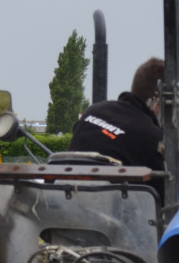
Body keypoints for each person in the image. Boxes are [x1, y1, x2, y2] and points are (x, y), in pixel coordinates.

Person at [68, 56, 167, 201]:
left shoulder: (93, 111)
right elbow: (166, 196)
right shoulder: (152, 137)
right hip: (109, 216)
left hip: (63, 205)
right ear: (156, 100)